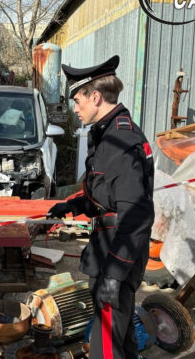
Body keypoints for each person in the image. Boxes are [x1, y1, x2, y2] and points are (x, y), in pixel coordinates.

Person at [47, 55, 154, 359]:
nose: (75, 108)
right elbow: (106, 195)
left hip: (118, 254)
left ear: (95, 96)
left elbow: (137, 214)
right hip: (108, 247)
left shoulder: (122, 141)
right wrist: (70, 206)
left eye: (78, 100)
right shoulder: (108, 134)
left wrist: (114, 273)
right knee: (120, 337)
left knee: (106, 345)